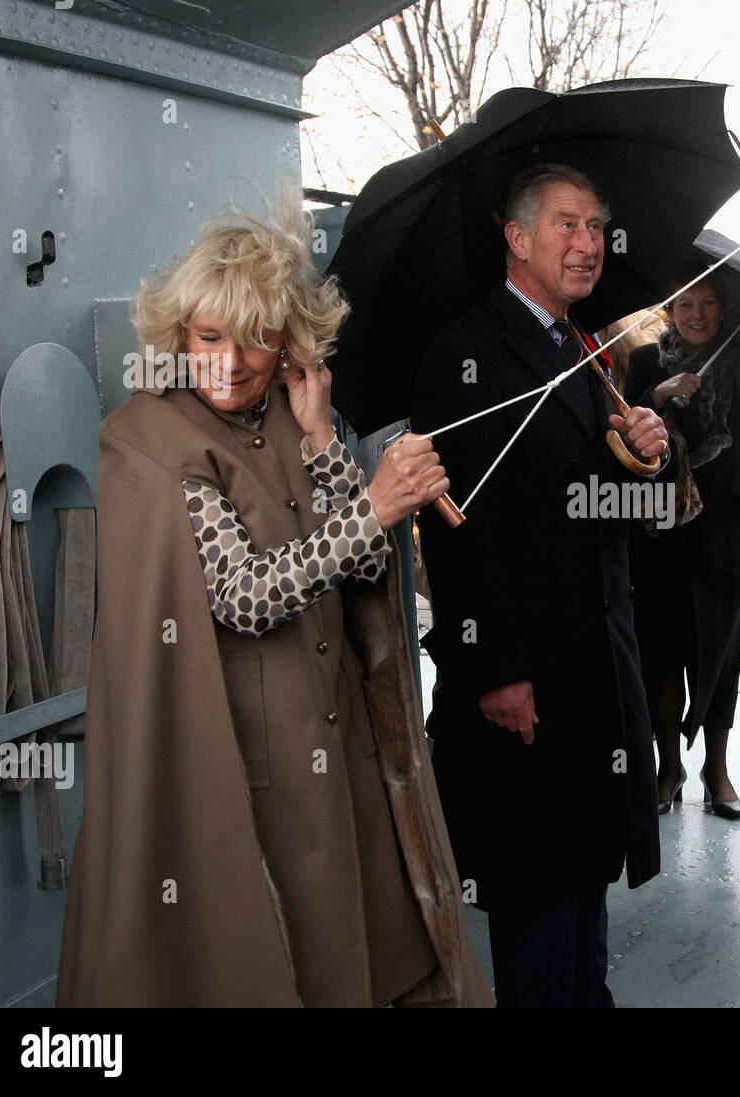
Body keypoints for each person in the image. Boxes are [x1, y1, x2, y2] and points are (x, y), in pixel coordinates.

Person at [58, 201, 492, 1007]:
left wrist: (326, 441)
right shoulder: (148, 438)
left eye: (255, 338)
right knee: (258, 967)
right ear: (178, 334)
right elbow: (240, 595)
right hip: (240, 775)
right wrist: (377, 503)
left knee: (350, 964)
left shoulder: (293, 416)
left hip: (338, 762)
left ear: (288, 342)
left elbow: (361, 562)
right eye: (208, 336)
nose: (228, 362)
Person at [410, 164, 672, 1008]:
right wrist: (495, 670)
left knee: (582, 882)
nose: (589, 243)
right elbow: (457, 528)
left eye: (597, 226)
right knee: (535, 897)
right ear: (517, 239)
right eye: (567, 225)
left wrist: (645, 448)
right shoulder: (465, 355)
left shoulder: (586, 349)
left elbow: (607, 510)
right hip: (526, 678)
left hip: (595, 668)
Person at [626, 268, 740, 818]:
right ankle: (666, 766)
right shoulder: (645, 362)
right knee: (660, 641)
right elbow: (619, 425)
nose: (698, 313)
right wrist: (660, 395)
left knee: (722, 644)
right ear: (671, 309)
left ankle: (717, 766)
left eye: (708, 302)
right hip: (661, 522)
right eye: (687, 303)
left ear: (723, 308)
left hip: (730, 518)